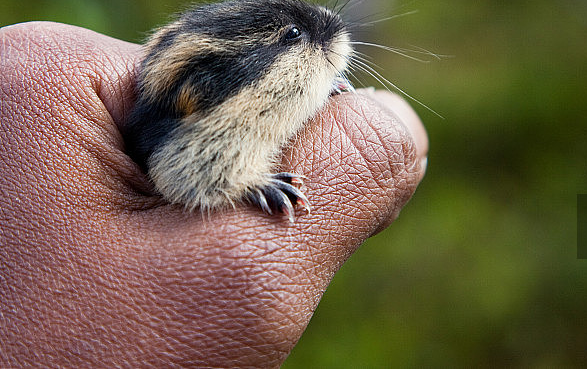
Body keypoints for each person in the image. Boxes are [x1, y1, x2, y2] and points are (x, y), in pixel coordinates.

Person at [0, 21, 428, 367]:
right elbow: (182, 176)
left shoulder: (223, 100)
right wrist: (248, 184)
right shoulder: (197, 136)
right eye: (293, 36)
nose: (332, 35)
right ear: (207, 88)